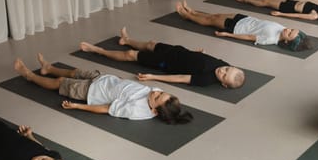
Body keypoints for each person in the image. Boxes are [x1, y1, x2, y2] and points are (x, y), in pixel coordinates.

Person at [14, 54, 192, 124]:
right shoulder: (157, 96)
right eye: (161, 92)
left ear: (154, 110)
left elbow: (106, 109)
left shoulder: (136, 110)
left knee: (60, 82)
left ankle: (29, 75)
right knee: (75, 71)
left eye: (158, 96)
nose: (156, 92)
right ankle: (49, 68)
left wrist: (78, 106)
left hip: (91, 91)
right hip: (104, 79)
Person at [79, 27, 246, 89]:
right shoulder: (224, 65)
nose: (222, 70)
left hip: (165, 62)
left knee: (131, 55)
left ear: (223, 84)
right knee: (151, 44)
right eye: (227, 69)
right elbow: (210, 60)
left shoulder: (206, 79)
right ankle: (127, 40)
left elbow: (180, 78)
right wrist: (197, 54)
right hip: (178, 51)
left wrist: (154, 77)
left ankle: (98, 50)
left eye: (224, 75)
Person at [175, 1, 312, 52]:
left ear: (286, 41)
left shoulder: (270, 39)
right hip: (244, 19)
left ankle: (187, 15)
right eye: (292, 29)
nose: (287, 29)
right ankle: (192, 11)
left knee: (210, 20)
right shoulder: (282, 29)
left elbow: (249, 37)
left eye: (289, 33)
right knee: (215, 15)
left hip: (236, 28)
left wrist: (227, 35)